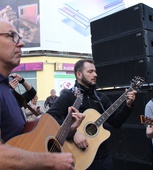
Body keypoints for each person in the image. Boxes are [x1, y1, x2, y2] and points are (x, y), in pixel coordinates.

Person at [0, 18, 85, 170]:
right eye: (12, 35)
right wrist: (51, 161)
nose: (21, 43)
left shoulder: (6, 89)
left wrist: (68, 130)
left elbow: (26, 141)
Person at [47, 59, 137, 170]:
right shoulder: (69, 96)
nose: (95, 74)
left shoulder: (101, 98)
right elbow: (49, 118)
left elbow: (116, 122)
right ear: (79, 74)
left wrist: (128, 105)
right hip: (78, 158)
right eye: (90, 72)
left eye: (95, 71)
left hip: (104, 157)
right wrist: (73, 133)